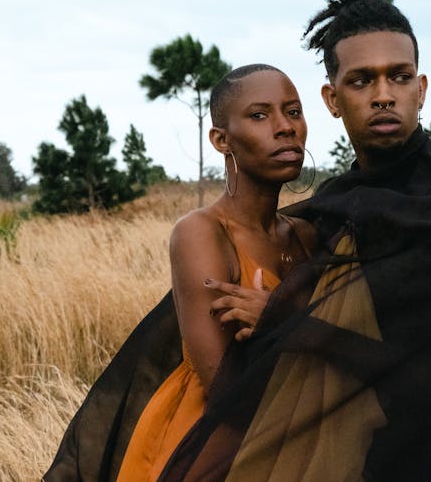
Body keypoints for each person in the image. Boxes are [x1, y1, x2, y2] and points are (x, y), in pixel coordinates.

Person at [156, 0, 431, 481]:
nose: (382, 95)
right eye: (360, 81)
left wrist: (286, 319)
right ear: (332, 99)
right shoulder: (333, 208)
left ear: (421, 89)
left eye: (398, 77)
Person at [42, 64, 316, 482]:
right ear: (221, 140)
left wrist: (284, 322)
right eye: (260, 115)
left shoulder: (306, 237)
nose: (285, 128)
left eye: (293, 111)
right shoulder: (201, 233)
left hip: (296, 444)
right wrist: (299, 330)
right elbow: (226, 392)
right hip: (205, 450)